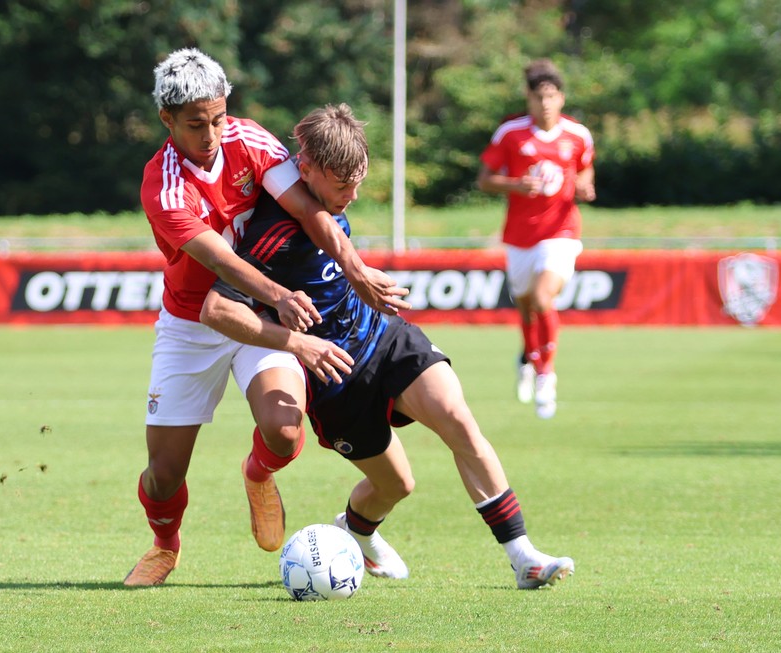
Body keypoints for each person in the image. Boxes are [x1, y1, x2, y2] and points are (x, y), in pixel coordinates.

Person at [200, 103, 574, 589]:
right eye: (342, 187)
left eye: (359, 184)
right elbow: (217, 310)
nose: (352, 198)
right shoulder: (271, 235)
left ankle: (523, 556)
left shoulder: (324, 199)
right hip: (334, 377)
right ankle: (355, 532)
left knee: (458, 418)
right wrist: (296, 342)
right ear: (305, 168)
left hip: (384, 336)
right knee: (397, 485)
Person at [125, 48, 408, 586]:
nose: (211, 134)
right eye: (195, 124)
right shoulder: (162, 186)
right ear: (167, 120)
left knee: (282, 429)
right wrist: (280, 294)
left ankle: (258, 476)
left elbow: (308, 208)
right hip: (193, 324)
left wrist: (355, 269)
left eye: (218, 118)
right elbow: (221, 261)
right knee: (163, 476)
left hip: (259, 315)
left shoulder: (250, 140)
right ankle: (164, 546)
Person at [476, 58, 596, 419]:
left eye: (552, 95)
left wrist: (586, 185)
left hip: (561, 233)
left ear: (561, 98)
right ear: (528, 99)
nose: (545, 103)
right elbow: (484, 179)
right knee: (527, 306)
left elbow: (586, 167)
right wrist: (514, 184)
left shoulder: (578, 135)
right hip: (519, 236)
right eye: (538, 96)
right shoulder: (511, 134)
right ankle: (527, 356)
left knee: (544, 298)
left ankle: (546, 373)